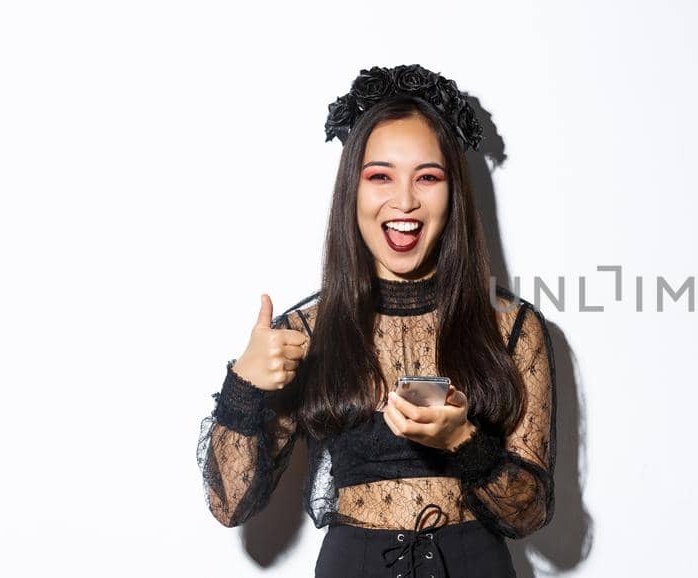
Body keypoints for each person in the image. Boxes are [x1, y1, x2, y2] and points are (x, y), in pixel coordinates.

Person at [196, 64, 555, 578]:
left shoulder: (513, 328)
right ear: (353, 191)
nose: (404, 200)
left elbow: (529, 513)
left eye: (427, 177)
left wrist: (463, 443)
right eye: (380, 176)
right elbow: (230, 506)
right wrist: (244, 387)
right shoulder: (304, 333)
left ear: (453, 193)